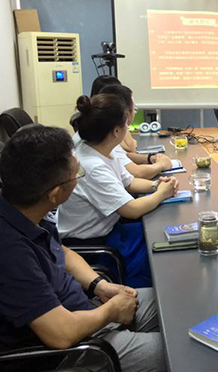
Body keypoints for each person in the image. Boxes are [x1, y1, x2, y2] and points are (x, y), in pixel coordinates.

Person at [0, 125, 166, 372]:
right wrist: (111, 311)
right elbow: (61, 334)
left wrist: (99, 285)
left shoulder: (26, 207)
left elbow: (62, 252)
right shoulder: (11, 253)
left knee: (174, 300)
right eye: (76, 174)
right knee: (181, 350)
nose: (78, 176)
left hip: (87, 312)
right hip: (71, 352)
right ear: (55, 194)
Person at [58, 94, 179, 288]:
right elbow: (131, 209)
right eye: (125, 124)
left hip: (111, 229)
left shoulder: (104, 151)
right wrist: (162, 194)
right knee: (156, 243)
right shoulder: (91, 165)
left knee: (159, 233)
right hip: (94, 243)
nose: (128, 128)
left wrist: (157, 185)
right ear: (116, 131)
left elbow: (129, 183)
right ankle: (143, 294)